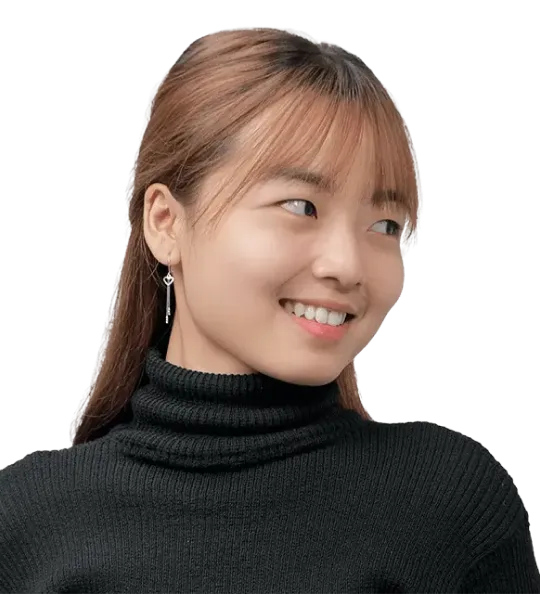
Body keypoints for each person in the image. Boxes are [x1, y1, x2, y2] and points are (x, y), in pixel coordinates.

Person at [1, 26, 538, 593]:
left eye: (384, 225)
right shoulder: (25, 523)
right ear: (166, 223)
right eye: (301, 206)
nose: (347, 265)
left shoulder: (450, 506)